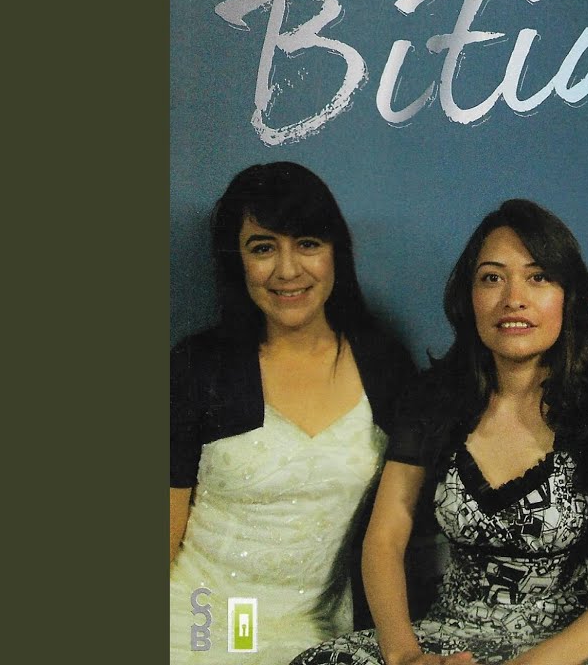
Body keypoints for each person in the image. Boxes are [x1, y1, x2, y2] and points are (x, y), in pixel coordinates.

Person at [291, 199, 588, 665]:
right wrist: (406, 656)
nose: (513, 298)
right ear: (468, 297)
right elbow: (384, 539)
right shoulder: (433, 402)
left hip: (568, 647)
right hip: (449, 635)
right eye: (492, 278)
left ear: (568, 297)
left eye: (538, 277)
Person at [170, 162, 417, 664]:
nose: (287, 270)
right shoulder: (198, 366)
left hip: (318, 639)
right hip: (197, 624)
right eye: (263, 248)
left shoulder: (385, 364)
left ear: (335, 252)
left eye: (307, 243)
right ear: (237, 261)